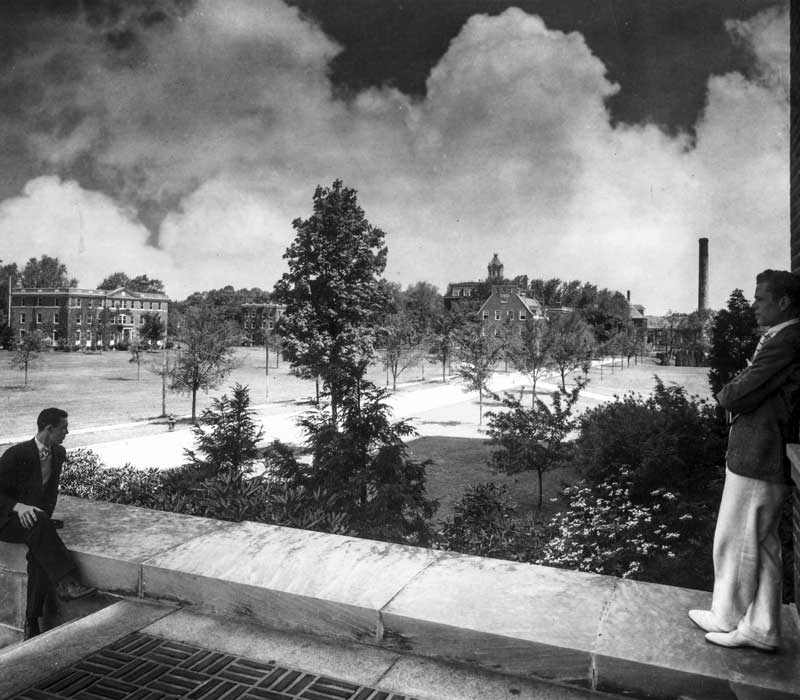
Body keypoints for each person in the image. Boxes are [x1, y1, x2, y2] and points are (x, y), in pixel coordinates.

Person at [689, 269, 800, 651]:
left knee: (736, 539)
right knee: (762, 543)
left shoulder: (787, 339)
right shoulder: (784, 337)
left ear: (783, 302)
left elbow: (742, 391)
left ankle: (725, 615)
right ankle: (763, 627)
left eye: (760, 298)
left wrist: (724, 395)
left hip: (760, 450)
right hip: (761, 448)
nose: (753, 305)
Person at [0, 408, 96, 639]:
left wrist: (39, 514)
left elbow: (47, 493)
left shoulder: (58, 453)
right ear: (49, 429)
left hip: (35, 520)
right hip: (5, 518)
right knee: (41, 532)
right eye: (63, 428)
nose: (67, 432)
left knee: (38, 553)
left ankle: (31, 623)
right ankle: (65, 582)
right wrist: (19, 507)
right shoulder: (16, 454)